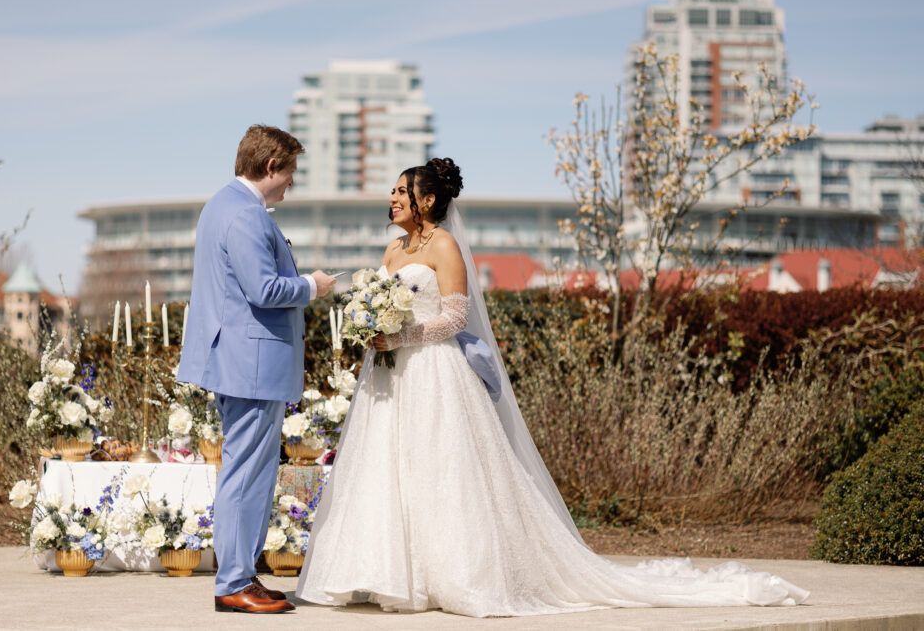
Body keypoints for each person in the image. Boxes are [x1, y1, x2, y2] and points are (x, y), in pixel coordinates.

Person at [296, 157, 809, 617]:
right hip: (389, 378)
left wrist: (402, 334)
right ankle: (378, 572)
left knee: (441, 469)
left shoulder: (445, 246)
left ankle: (447, 575)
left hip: (434, 372)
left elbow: (455, 316)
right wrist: (368, 328)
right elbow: (380, 301)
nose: (391, 199)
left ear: (426, 201)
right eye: (392, 193)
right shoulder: (392, 249)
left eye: (399, 192)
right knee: (385, 467)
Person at [178, 125, 335, 614]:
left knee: (251, 471)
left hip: (241, 360)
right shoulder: (246, 215)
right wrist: (313, 285)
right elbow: (264, 289)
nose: (291, 184)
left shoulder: (221, 205)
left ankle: (241, 574)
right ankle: (233, 582)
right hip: (250, 363)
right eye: (290, 173)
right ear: (271, 167)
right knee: (246, 474)